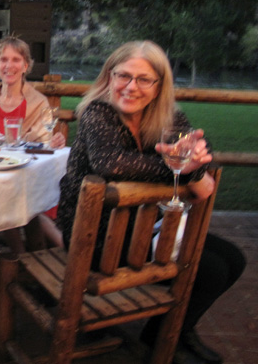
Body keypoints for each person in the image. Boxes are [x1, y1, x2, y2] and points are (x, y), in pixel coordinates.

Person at [53, 41, 245, 364]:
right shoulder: (97, 113)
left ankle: (178, 331)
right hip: (94, 239)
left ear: (159, 87)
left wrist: (194, 156)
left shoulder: (166, 116)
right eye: (123, 76)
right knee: (209, 270)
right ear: (109, 77)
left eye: (144, 79)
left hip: (143, 229)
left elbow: (198, 144)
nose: (131, 87)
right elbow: (112, 164)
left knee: (233, 260)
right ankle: (162, 339)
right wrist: (186, 172)